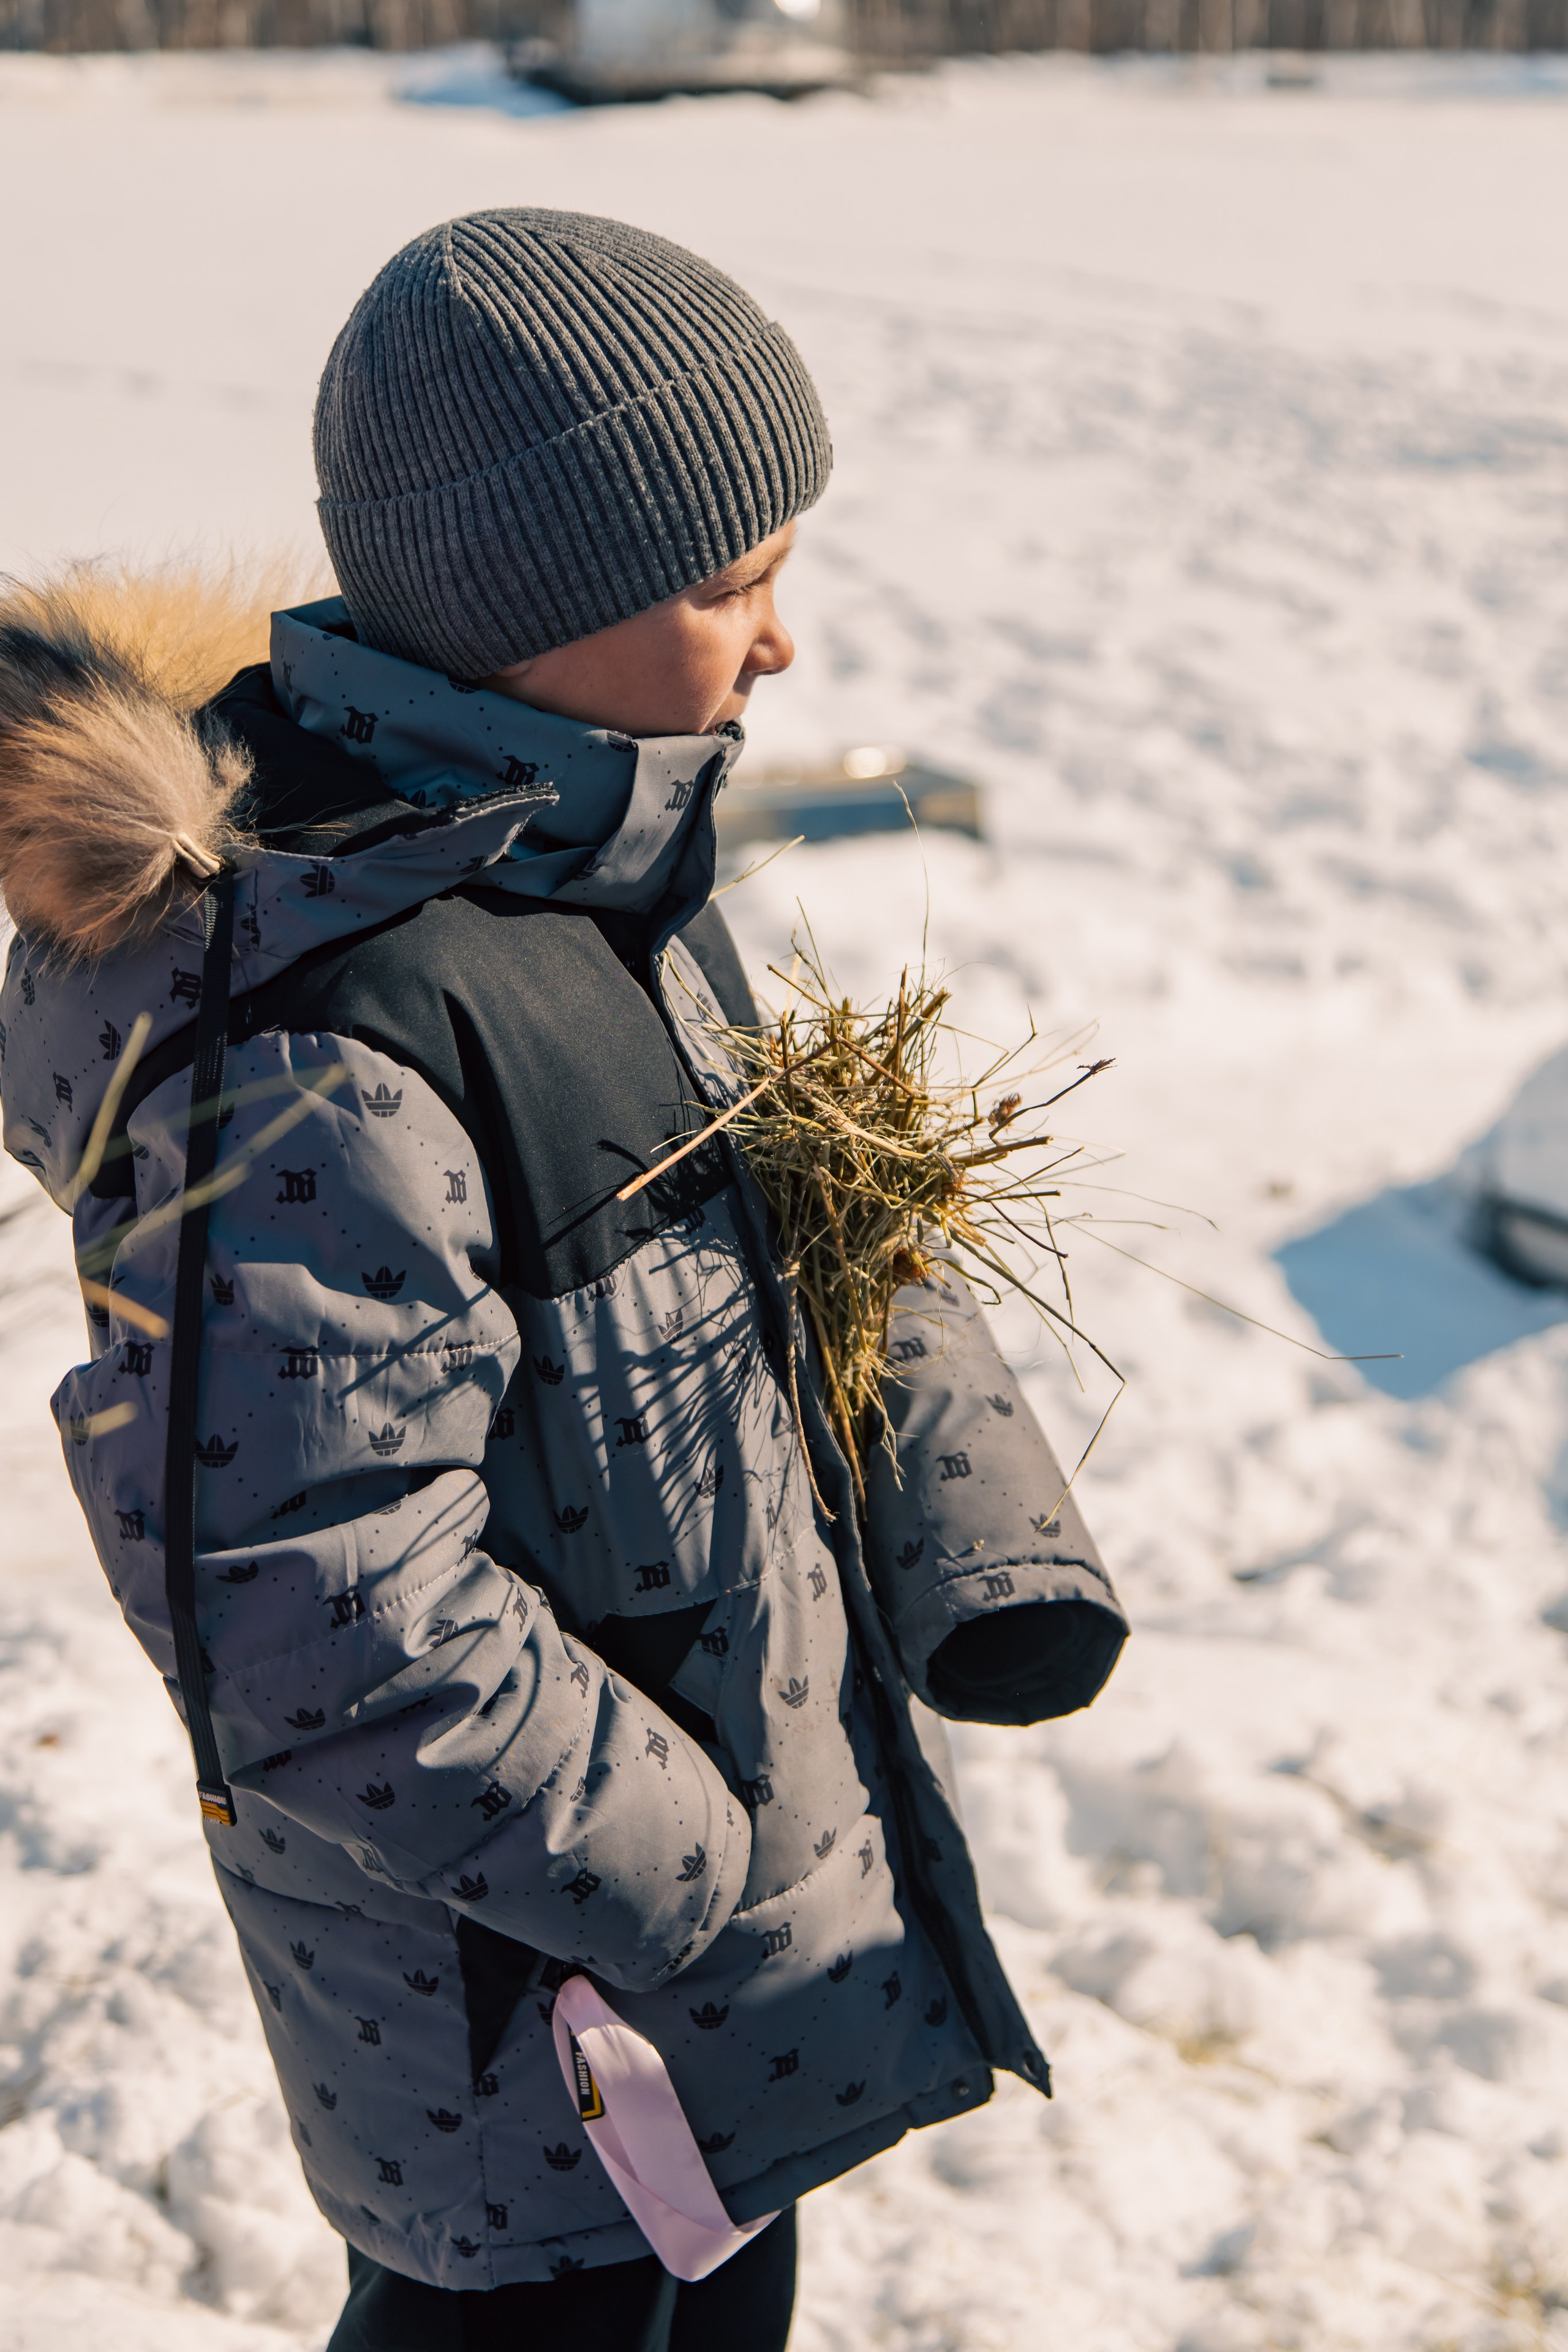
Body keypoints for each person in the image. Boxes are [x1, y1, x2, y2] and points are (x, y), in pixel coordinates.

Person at [0, 209, 1127, 2351]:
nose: (783, 644)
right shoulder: (324, 1043)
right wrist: (694, 1880)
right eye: (732, 586)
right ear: (534, 611)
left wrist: (981, 1543)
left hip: (701, 1956)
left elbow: (807, 1234)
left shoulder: (582, 863)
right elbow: (305, 1603)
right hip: (534, 2013)